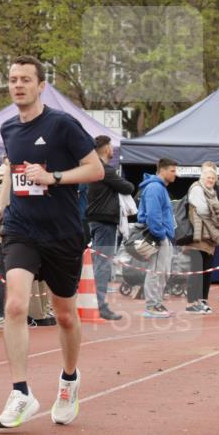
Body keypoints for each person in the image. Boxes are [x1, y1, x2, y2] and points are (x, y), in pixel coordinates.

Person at [0, 56, 103, 430]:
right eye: (12, 79)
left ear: (40, 86)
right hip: (21, 228)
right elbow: (10, 171)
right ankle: (21, 392)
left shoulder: (63, 125)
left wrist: (53, 176)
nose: (17, 85)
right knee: (15, 303)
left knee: (65, 314)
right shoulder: (7, 129)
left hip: (63, 232)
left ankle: (69, 381)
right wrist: (1, 207)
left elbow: (96, 169)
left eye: (24, 80)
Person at [86, 135, 134, 321]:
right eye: (111, 146)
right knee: (103, 264)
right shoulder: (105, 170)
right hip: (105, 222)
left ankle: (92, 302)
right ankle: (99, 304)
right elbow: (128, 187)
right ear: (107, 149)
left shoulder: (93, 169)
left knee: (97, 263)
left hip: (95, 220)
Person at [135, 157, 178, 319]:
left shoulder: (158, 187)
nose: (176, 174)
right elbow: (153, 215)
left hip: (162, 235)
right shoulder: (155, 188)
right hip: (159, 236)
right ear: (163, 170)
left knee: (162, 272)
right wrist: (160, 235)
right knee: (157, 271)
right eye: (173, 171)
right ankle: (152, 305)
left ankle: (156, 303)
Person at [185, 161, 219, 313]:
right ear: (202, 177)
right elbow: (203, 211)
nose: (210, 180)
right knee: (196, 270)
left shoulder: (213, 192)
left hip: (209, 236)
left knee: (205, 270)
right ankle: (191, 303)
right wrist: (216, 212)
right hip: (198, 236)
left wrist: (216, 212)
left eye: (213, 178)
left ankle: (201, 300)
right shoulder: (196, 189)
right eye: (208, 177)